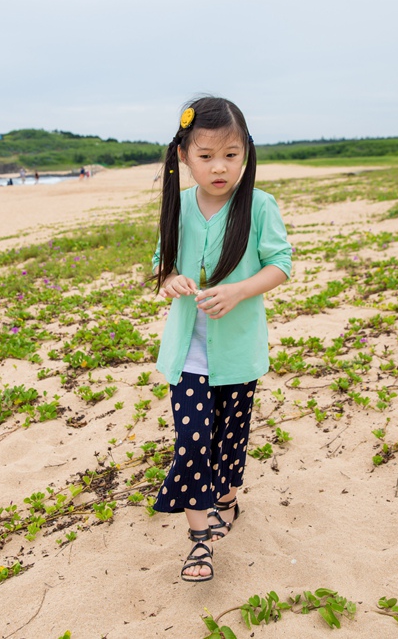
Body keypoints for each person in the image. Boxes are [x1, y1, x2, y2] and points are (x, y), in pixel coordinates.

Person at [150, 97, 291, 582]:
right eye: (206, 155)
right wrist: (169, 279)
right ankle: (199, 542)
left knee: (228, 443)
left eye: (231, 154)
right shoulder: (180, 204)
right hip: (187, 351)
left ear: (246, 154)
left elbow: (280, 264)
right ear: (184, 155)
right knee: (192, 442)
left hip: (236, 353)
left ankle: (227, 497)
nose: (219, 166)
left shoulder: (260, 206)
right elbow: (162, 262)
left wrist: (239, 290)